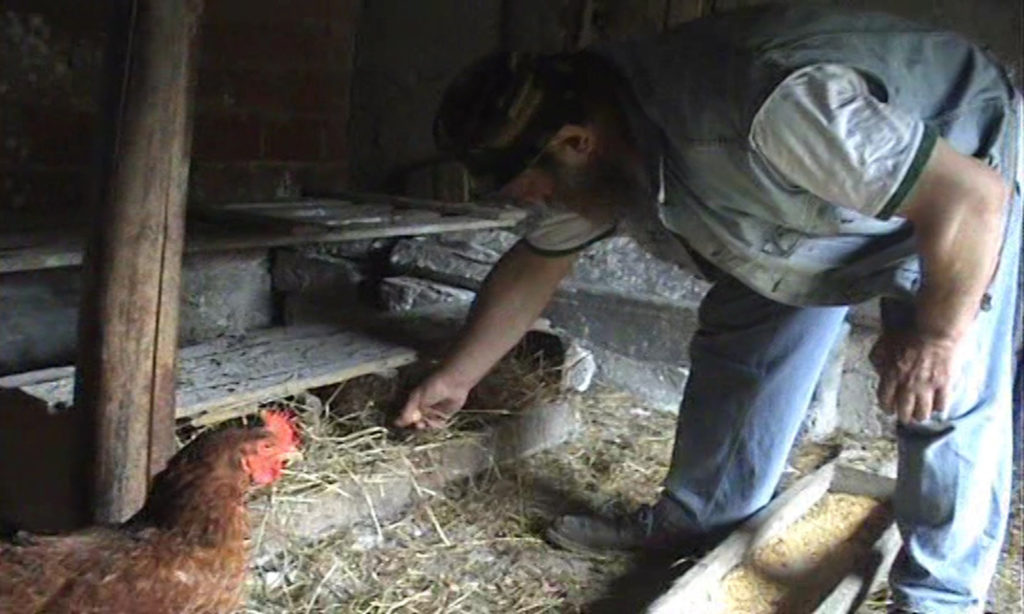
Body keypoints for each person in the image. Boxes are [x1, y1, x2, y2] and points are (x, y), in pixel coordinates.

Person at [394, 6, 1021, 613]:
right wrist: (457, 378)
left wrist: (938, 337)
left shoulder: (766, 105)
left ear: (576, 143)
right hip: (806, 198)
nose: (537, 202)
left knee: (944, 393)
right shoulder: (605, 133)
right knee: (743, 348)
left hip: (955, 176)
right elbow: (538, 261)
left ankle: (938, 599)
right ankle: (699, 529)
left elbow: (969, 197)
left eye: (532, 188)